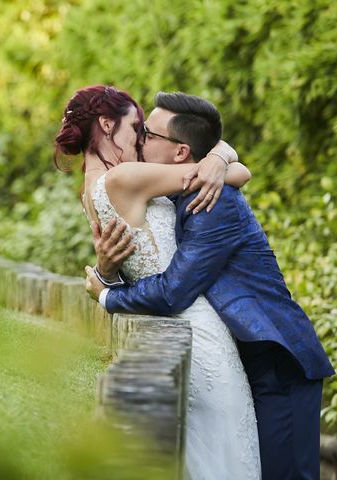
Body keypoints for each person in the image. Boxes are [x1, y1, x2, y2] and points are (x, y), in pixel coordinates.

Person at [85, 90, 336, 480]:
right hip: (246, 354)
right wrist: (221, 156)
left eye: (148, 135)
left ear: (181, 153)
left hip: (277, 361)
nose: (139, 140)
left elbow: (173, 291)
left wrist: (106, 294)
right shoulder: (183, 189)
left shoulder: (213, 203)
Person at [54, 85, 260, 479]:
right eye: (137, 128)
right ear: (107, 125)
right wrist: (220, 154)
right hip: (198, 328)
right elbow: (239, 173)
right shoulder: (127, 178)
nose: (142, 138)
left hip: (170, 320)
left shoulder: (89, 191)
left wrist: (106, 278)